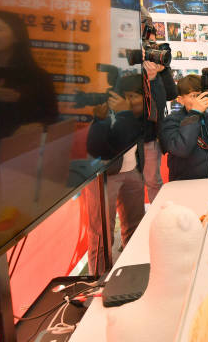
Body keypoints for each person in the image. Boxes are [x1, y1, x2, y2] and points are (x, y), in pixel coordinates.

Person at [0, 10, 58, 198]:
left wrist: (39, 126)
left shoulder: (36, 76)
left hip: (18, 159)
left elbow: (51, 115)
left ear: (16, 36)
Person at [85, 75, 148, 275]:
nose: (131, 102)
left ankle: (132, 273)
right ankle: (99, 281)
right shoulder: (108, 112)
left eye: (136, 97)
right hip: (104, 177)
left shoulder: (137, 114)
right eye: (127, 96)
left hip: (133, 172)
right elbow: (97, 148)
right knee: (102, 233)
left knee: (135, 226)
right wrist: (101, 119)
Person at [160, 74, 208, 181]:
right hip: (186, 183)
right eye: (194, 96)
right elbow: (181, 149)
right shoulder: (170, 121)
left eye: (202, 95)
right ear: (180, 100)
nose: (199, 100)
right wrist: (194, 114)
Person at [141, 8, 178, 202]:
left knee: (153, 181)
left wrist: (160, 73)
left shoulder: (155, 59)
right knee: (129, 185)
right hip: (125, 137)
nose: (150, 47)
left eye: (152, 43)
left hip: (149, 133)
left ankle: (160, 221)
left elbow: (171, 94)